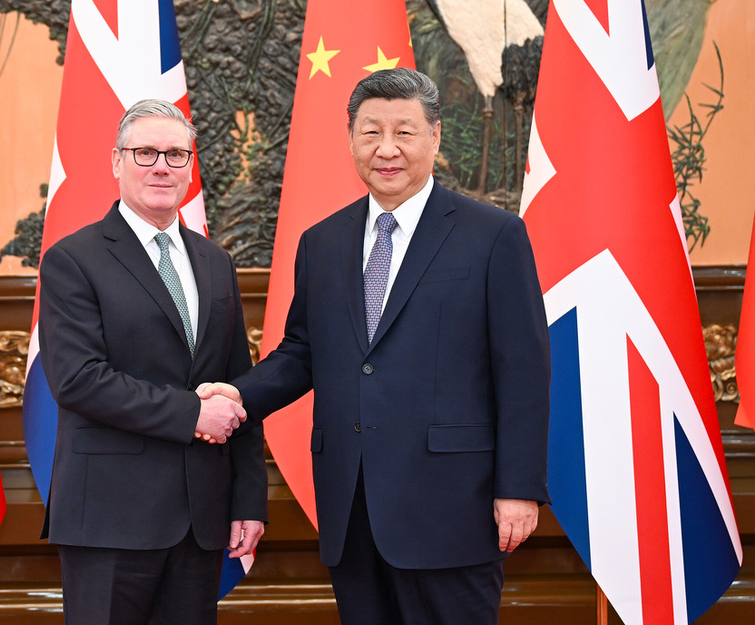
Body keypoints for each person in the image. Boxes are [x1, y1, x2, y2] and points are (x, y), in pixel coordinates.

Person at [200, 68, 551, 625]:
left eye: (404, 132)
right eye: (370, 133)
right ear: (351, 140)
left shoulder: (493, 236)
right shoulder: (323, 241)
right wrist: (235, 395)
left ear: (434, 137)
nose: (386, 149)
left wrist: (519, 489)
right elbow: (301, 353)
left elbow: (524, 372)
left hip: (453, 508)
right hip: (352, 504)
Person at [38, 99, 267, 625]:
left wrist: (249, 498)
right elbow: (78, 380)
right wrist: (193, 415)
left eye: (176, 154)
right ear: (116, 161)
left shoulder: (215, 262)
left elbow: (239, 387)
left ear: (191, 166)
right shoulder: (73, 259)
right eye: (145, 153)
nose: (162, 166)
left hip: (201, 519)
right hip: (110, 518)